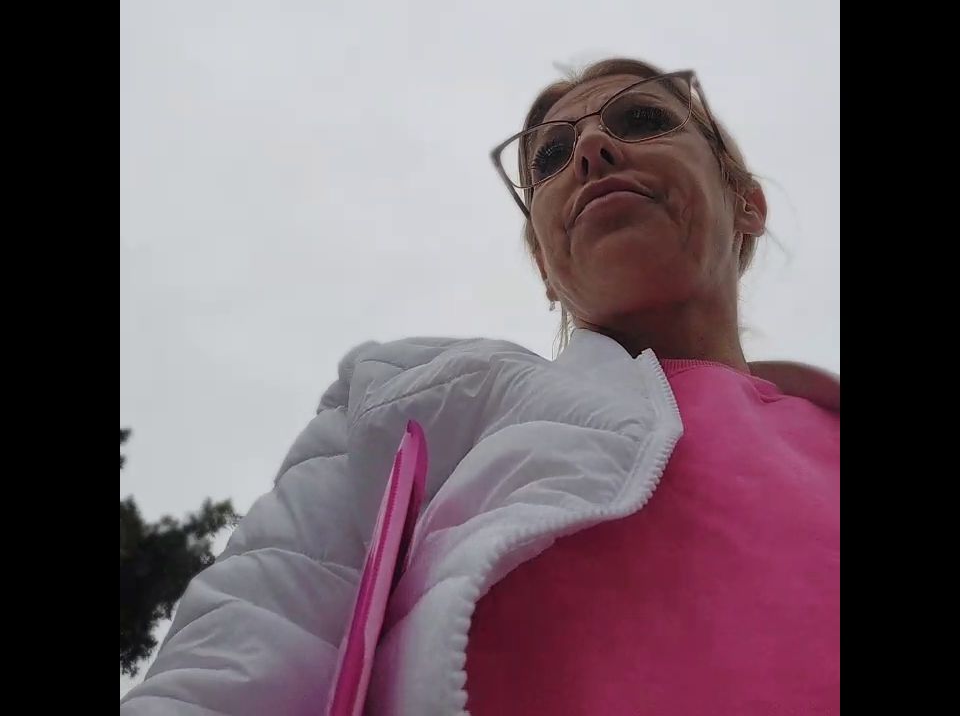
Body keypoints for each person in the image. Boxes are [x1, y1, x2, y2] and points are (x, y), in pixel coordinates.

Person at [121, 57, 839, 715]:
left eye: (643, 119)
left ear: (747, 202)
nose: (593, 149)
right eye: (552, 157)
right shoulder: (408, 404)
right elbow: (228, 672)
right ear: (545, 265)